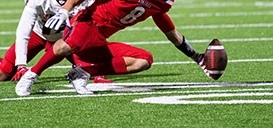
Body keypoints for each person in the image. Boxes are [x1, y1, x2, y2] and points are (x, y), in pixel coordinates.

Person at [16, 0, 211, 96]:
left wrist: (196, 56)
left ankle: (82, 72)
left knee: (144, 60)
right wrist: (66, 11)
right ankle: (31, 75)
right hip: (87, 22)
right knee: (68, 45)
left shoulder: (162, 3)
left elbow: (170, 31)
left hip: (100, 38)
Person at [0, 0, 112, 82]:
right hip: (39, 34)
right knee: (3, 74)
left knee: (95, 69)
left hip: (67, 40)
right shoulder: (38, 1)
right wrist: (21, 65)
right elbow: (23, 32)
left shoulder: (85, 2)